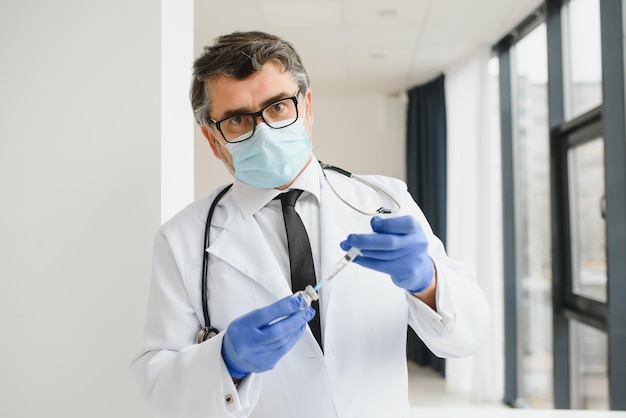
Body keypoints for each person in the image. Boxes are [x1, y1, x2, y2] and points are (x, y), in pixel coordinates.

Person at [131, 31, 490, 418]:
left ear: (307, 107)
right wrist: (226, 362)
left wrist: (428, 282)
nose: (264, 131)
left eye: (278, 107)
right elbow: (159, 386)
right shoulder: (182, 239)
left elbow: (467, 336)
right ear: (214, 140)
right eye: (237, 119)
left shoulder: (386, 202)